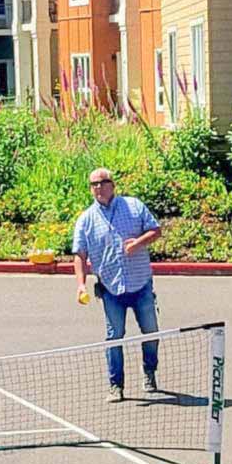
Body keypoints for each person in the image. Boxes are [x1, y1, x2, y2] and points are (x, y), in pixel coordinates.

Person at [72, 168, 164, 403]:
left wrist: (139, 243)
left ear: (113, 184)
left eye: (102, 183)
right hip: (111, 288)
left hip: (140, 282)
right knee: (115, 337)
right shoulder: (86, 219)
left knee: (151, 332)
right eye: (93, 184)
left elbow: (156, 230)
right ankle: (116, 385)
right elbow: (79, 255)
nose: (98, 188)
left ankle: (149, 372)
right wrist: (81, 285)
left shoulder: (133, 206)